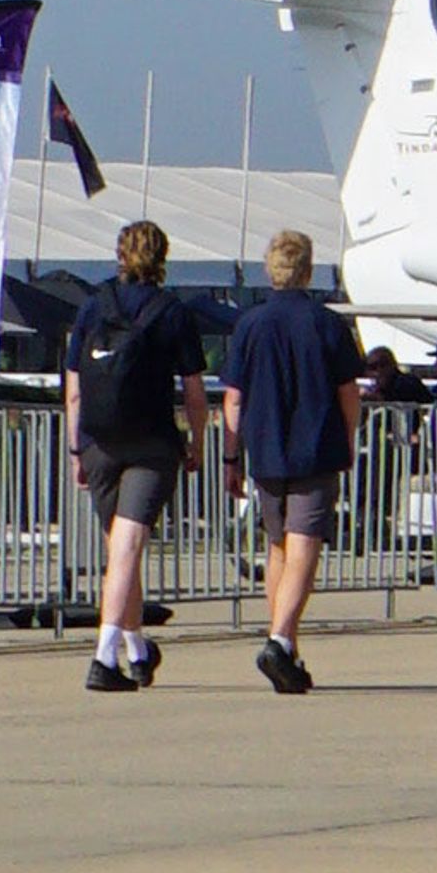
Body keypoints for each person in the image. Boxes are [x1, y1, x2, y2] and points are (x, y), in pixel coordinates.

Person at [217, 229, 364, 695]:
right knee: (305, 543)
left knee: (276, 546)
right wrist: (349, 436)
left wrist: (231, 456)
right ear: (307, 269)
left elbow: (233, 400)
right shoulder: (326, 324)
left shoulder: (250, 324)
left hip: (266, 448)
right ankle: (280, 640)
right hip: (315, 444)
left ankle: (284, 644)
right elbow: (349, 393)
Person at [61, 217, 205, 693]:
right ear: (162, 258)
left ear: (119, 255)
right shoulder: (171, 312)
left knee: (121, 548)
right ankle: (104, 657)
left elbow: (75, 387)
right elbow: (193, 389)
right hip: (150, 441)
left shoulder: (93, 305)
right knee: (127, 548)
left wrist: (76, 447)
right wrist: (198, 439)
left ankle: (137, 648)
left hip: (99, 439)